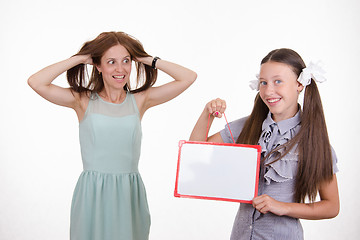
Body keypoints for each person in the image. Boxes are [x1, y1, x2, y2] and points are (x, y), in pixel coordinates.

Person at [28, 31, 197, 240]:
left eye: (126, 61)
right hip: (92, 194)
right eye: (111, 62)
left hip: (129, 194)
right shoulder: (82, 100)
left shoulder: (140, 100)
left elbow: (189, 77)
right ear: (98, 66)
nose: (120, 69)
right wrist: (80, 58)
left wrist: (145, 58)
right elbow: (36, 82)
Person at [189, 48, 339, 240]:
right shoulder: (249, 126)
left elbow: (331, 206)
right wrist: (207, 114)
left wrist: (283, 207)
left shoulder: (313, 141)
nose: (268, 91)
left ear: (299, 84)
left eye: (278, 81)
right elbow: (194, 150)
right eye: (263, 82)